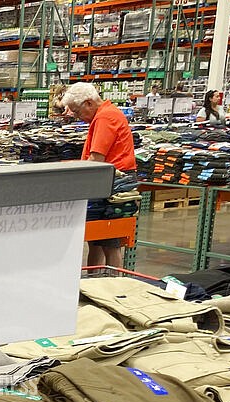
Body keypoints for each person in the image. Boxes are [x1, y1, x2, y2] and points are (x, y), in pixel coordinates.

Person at [62, 82, 136, 270]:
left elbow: (96, 159)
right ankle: (93, 285)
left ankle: (111, 288)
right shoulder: (105, 114)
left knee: (109, 242)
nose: (78, 117)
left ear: (88, 103)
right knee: (96, 241)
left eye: (77, 112)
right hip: (107, 180)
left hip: (113, 183)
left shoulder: (105, 117)